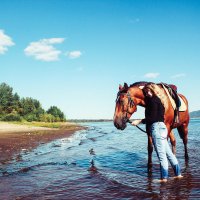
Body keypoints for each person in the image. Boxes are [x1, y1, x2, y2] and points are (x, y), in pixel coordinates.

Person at [131, 83, 182, 182]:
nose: (146, 93)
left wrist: (139, 121)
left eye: (148, 91)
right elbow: (157, 116)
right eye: (145, 92)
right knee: (169, 154)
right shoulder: (160, 100)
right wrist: (143, 88)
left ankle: (164, 178)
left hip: (156, 128)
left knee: (161, 156)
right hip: (162, 128)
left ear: (153, 90)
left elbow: (152, 118)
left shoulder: (152, 101)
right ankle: (178, 174)